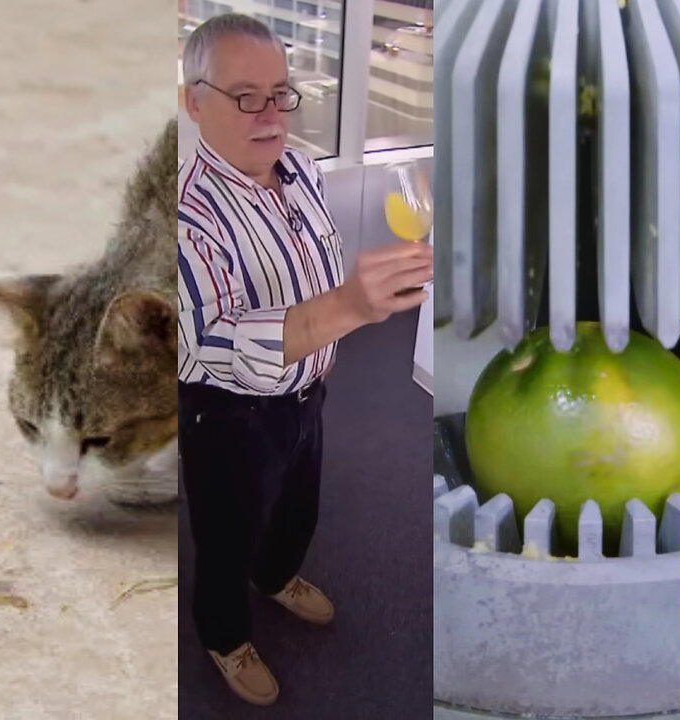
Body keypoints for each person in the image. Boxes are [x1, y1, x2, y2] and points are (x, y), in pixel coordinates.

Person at [177, 14, 432, 706]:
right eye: (245, 96)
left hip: (308, 388)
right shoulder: (184, 215)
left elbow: (314, 264)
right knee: (225, 534)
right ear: (193, 101)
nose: (271, 115)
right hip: (226, 414)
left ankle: (279, 574)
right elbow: (214, 340)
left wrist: (351, 297)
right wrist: (352, 306)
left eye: (281, 93)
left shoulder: (300, 168)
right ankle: (225, 638)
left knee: (297, 502)